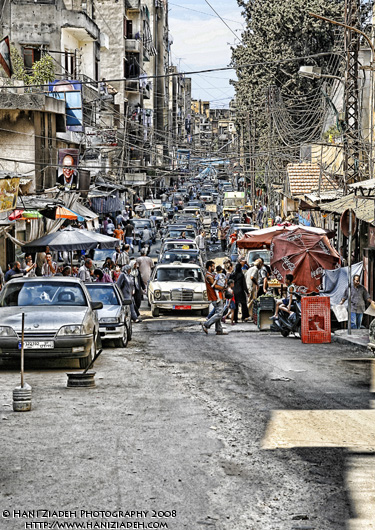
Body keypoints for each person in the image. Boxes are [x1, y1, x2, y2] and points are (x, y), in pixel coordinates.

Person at [201, 260, 227, 335]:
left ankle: (219, 330)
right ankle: (206, 324)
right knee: (219, 313)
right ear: (209, 267)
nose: (214, 268)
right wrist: (223, 287)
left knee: (217, 312)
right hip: (215, 297)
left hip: (217, 296)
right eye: (213, 266)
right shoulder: (209, 276)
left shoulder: (212, 275)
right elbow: (215, 286)